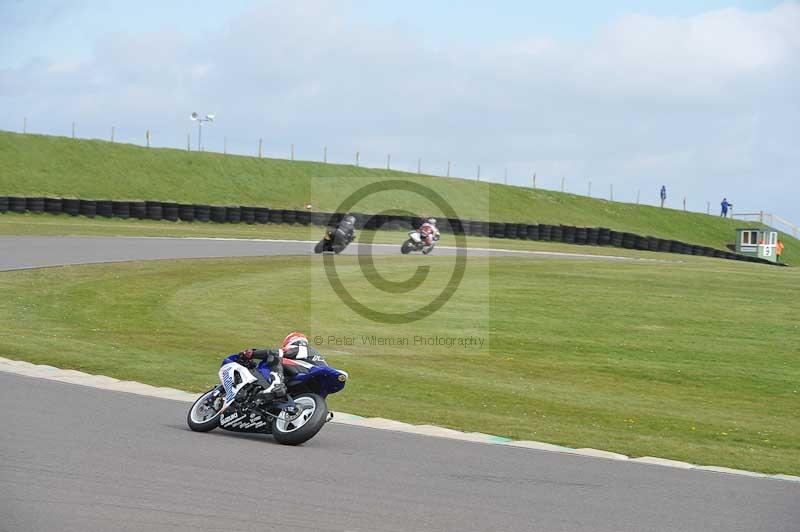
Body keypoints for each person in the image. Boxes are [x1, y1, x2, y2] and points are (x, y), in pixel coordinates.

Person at [231, 332, 324, 401]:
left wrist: (252, 353)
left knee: (275, 357)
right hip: (314, 385)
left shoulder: (301, 348)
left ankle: (277, 384)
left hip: (307, 372)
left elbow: (276, 353)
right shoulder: (311, 355)